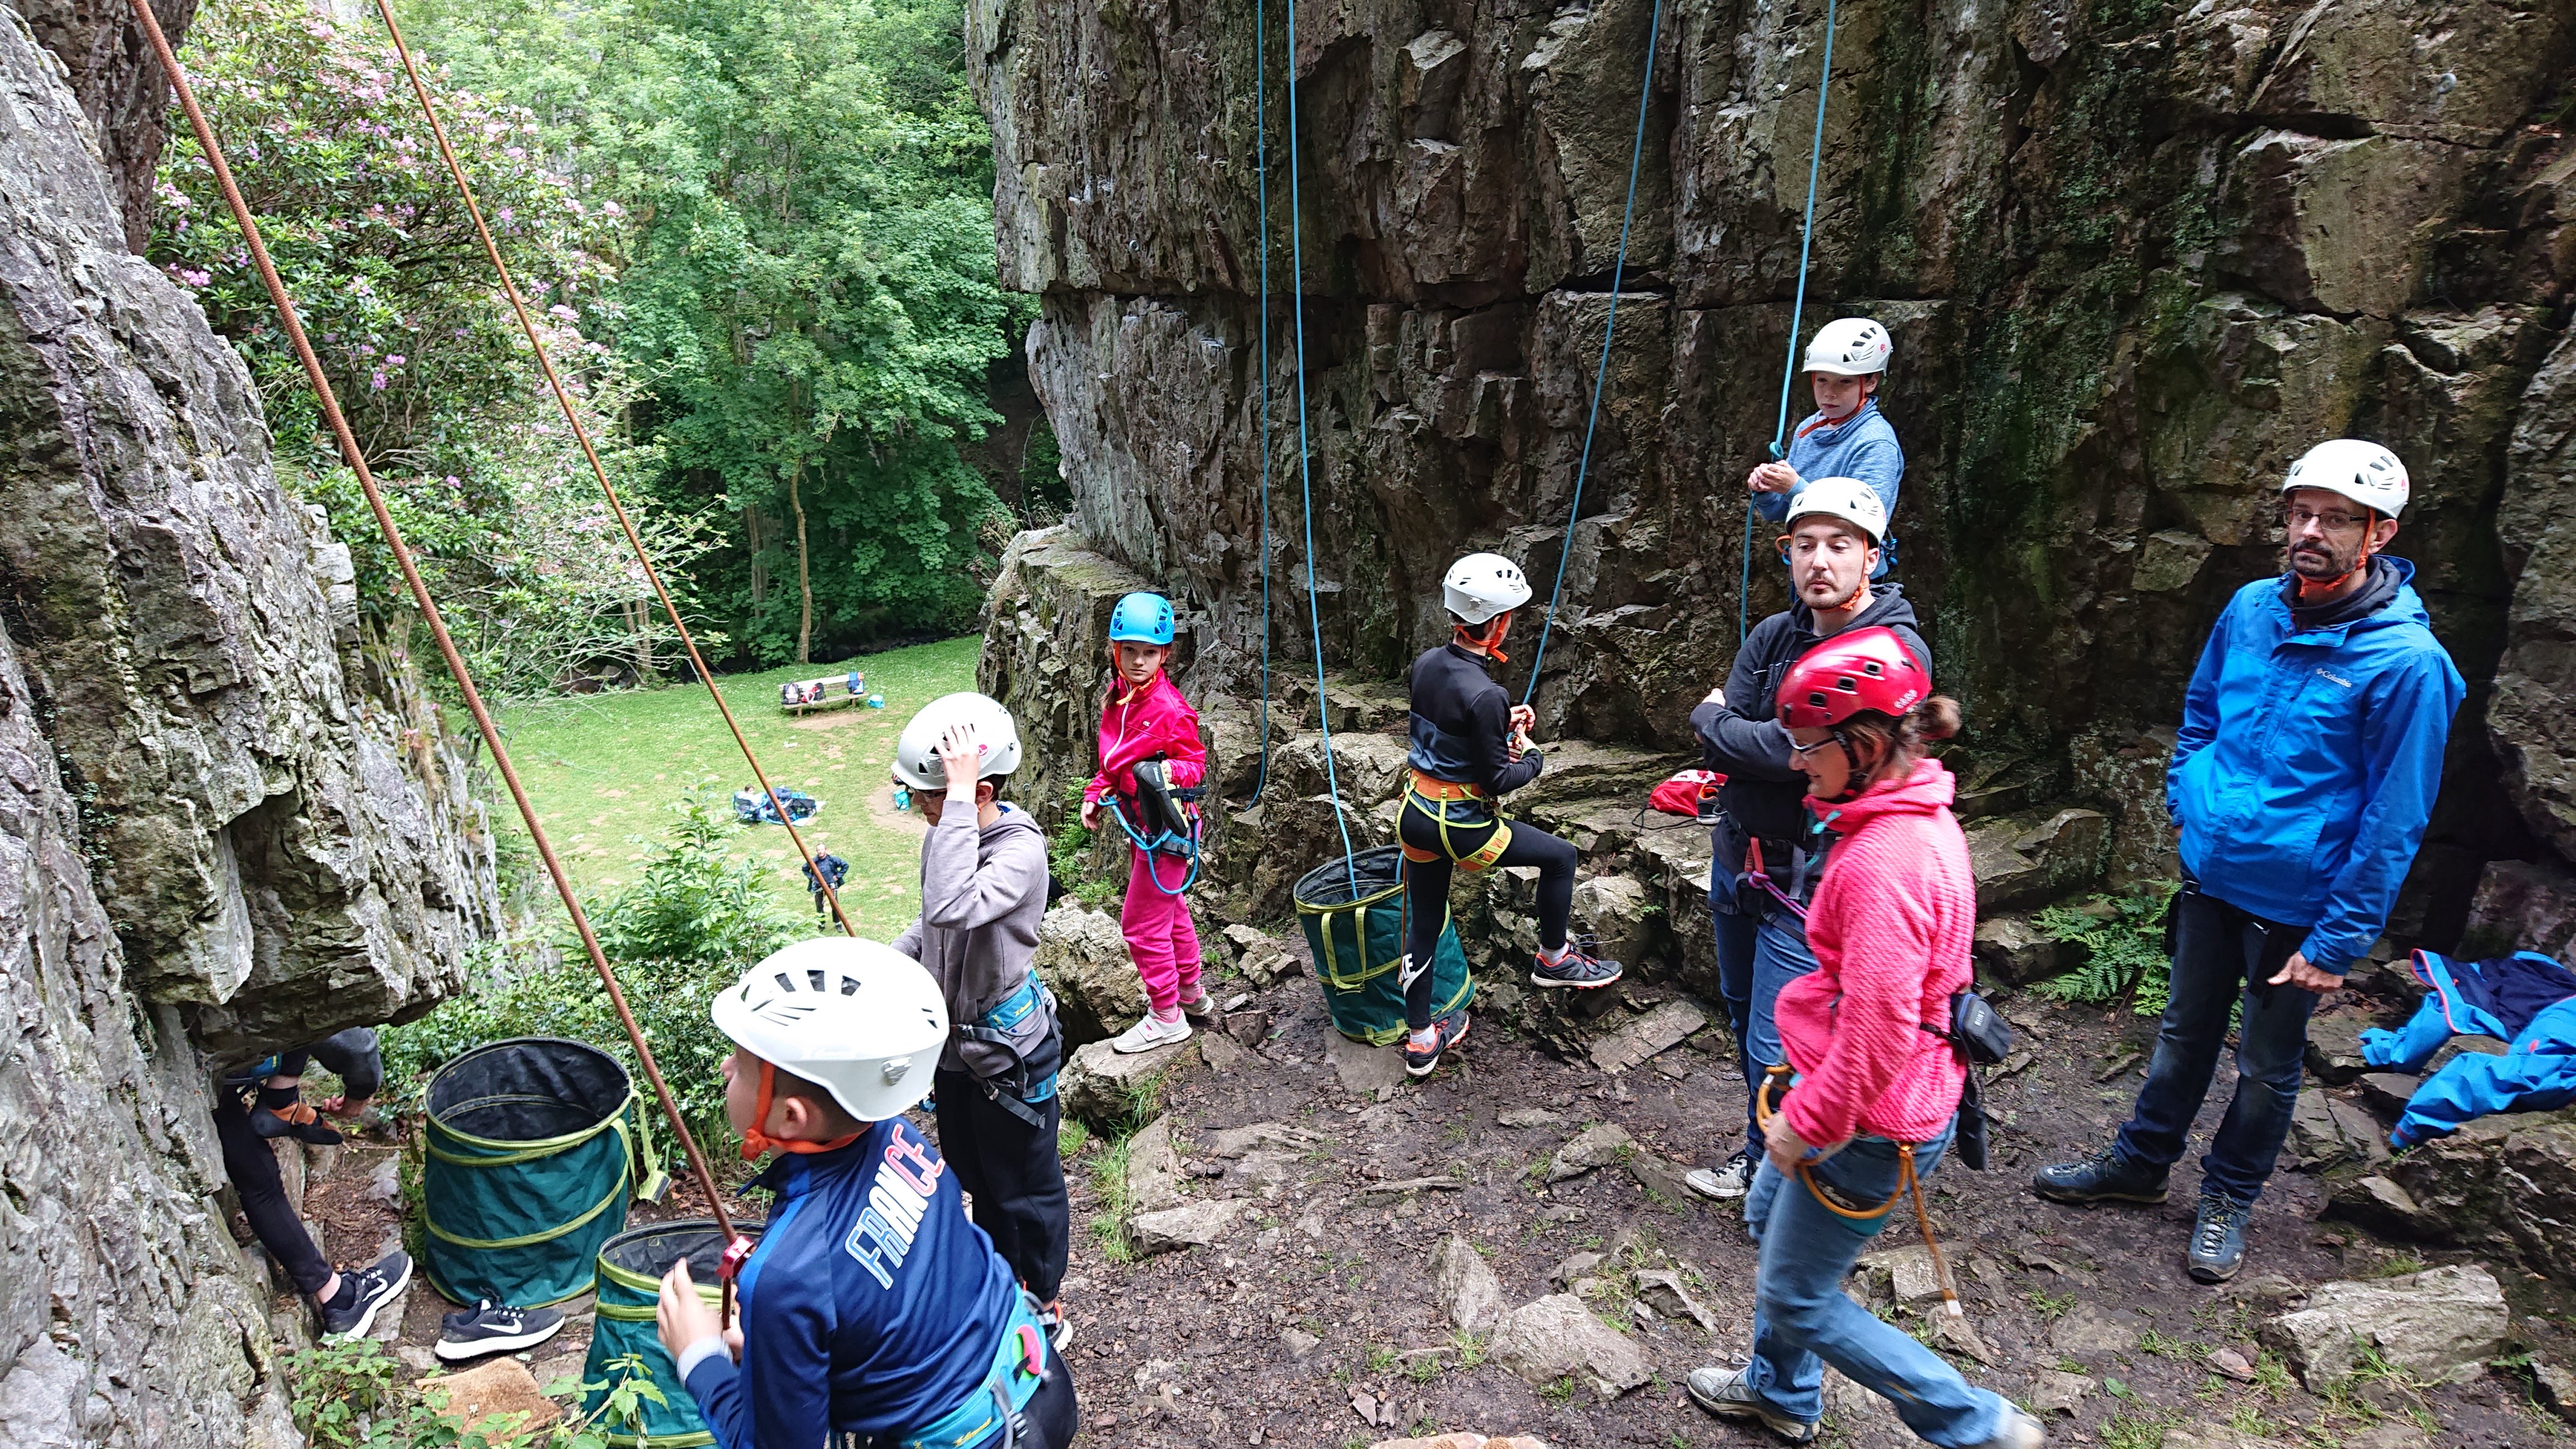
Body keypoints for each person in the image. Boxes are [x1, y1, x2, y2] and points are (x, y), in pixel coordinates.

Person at [2032, 439, 2466, 1282]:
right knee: (2182, 1033)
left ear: (2379, 533)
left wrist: (2338, 942)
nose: (2310, 532)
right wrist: (2188, 796)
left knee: (2266, 1067)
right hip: (2214, 875)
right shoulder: (2251, 609)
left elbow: (2396, 818)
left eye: (2335, 519)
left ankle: (2229, 1195)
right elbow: (2202, 712)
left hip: (2298, 905)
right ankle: (2141, 1164)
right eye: (2301, 513)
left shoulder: (2408, 664)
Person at [1685, 628, 2042, 1449]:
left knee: (1798, 1297)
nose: (1795, 762)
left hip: (1870, 1120)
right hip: (1852, 1089)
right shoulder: (1909, 814)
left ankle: (1977, 1425)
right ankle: (1780, 1389)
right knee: (1765, 1217)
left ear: (1867, 747)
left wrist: (1807, 1123)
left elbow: (1879, 1033)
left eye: (1809, 747)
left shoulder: (1887, 862)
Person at [655, 937, 1079, 1449]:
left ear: (791, 1116)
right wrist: (785, 1348)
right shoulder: (900, 1140)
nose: (726, 1068)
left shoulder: (784, 1277)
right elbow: (900, 1296)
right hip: (1039, 1383)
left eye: (742, 1066)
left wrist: (699, 1357)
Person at [1685, 480, 1930, 1202]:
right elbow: (1733, 746)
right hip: (1741, 856)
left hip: (1815, 881)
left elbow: (1773, 746)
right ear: (1787, 551)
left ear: (1872, 556)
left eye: (1839, 545)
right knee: (1741, 1009)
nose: (1820, 561)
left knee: (1781, 1042)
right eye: (1805, 545)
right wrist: (1735, 736)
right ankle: (1762, 1154)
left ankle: (1782, 1183)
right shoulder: (1773, 635)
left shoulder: (1893, 648)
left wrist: (1719, 722)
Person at [889, 693, 1072, 1349]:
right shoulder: (947, 834)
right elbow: (930, 924)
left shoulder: (1020, 853)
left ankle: (1043, 1301)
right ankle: (1001, 1280)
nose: (918, 806)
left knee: (1025, 1187)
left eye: (928, 795)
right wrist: (886, 964)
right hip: (956, 1052)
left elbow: (952, 905)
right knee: (976, 1175)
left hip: (1007, 1055)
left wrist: (958, 802)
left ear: (981, 790)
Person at [1398, 553, 1622, 1078]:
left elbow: (1450, 730)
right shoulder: (1488, 692)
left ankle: (1421, 1040)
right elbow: (1499, 779)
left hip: (1416, 812)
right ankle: (1554, 958)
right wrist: (1532, 756)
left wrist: (1499, 725)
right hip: (1461, 823)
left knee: (1424, 922)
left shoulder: (1428, 663)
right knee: (1560, 858)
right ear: (1497, 622)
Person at [1077, 591, 1215, 1053]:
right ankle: (1189, 993)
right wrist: (1096, 793)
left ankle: (1166, 1016)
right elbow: (1116, 761)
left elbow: (1195, 766)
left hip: (1169, 826)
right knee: (1170, 912)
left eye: (1149, 652)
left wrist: (1164, 772)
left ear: (1165, 655)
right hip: (1144, 824)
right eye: (1130, 650)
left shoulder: (1170, 710)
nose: (1139, 661)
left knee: (1139, 924)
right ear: (1115, 650)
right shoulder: (1119, 697)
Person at [212, 1029, 416, 1341]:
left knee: (258, 1180)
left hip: (202, 1073)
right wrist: (359, 1095)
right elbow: (353, 1045)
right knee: (260, 1183)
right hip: (206, 1078)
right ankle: (341, 1299)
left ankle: (281, 1099)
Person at [1746, 318, 1904, 576]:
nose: (1830, 392)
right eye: (1822, 380)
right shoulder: (1809, 429)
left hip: (1853, 576)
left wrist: (1795, 488)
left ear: (1871, 382)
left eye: (1844, 382)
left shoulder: (1875, 444)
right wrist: (1766, 491)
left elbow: (1865, 522)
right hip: (1809, 567)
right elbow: (1781, 511)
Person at [801, 850, 850, 918]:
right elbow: (804, 869)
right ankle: (821, 923)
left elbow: (845, 865)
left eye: (821, 850)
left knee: (835, 905)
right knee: (819, 906)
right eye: (818, 850)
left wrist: (838, 876)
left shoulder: (833, 860)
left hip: (831, 886)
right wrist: (812, 878)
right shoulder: (813, 861)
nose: (820, 852)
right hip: (818, 887)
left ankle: (837, 922)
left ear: (825, 850)